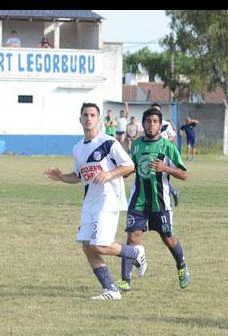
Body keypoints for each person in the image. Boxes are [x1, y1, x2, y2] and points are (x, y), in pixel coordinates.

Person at [44, 102, 144, 301]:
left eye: (92, 115)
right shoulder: (78, 148)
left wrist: (108, 174)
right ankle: (111, 289)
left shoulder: (109, 143)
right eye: (85, 115)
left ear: (98, 120)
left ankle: (134, 252)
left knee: (99, 245)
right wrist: (61, 177)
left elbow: (129, 166)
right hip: (90, 202)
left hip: (109, 200)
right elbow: (79, 175)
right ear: (80, 119)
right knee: (87, 245)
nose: (88, 119)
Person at [118, 106, 190, 291]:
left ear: (160, 125)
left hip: (161, 203)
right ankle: (125, 280)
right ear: (143, 124)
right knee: (132, 238)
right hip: (138, 201)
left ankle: (181, 266)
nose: (151, 125)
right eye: (148, 121)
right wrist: (125, 171)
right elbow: (130, 167)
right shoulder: (136, 145)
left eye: (155, 122)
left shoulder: (168, 147)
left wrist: (165, 168)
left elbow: (183, 174)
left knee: (168, 238)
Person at [150, 102, 181, 206]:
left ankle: (168, 199)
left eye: (157, 110)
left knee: (160, 176)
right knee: (154, 177)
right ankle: (172, 193)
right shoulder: (148, 123)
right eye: (154, 110)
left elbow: (173, 136)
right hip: (150, 154)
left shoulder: (165, 124)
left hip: (163, 155)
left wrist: (165, 144)